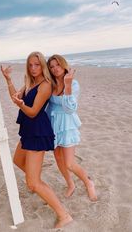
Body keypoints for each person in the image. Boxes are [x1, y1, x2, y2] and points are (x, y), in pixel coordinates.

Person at [1, 51, 73, 228]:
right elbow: (15, 98)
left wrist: (21, 104)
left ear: (42, 65)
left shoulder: (45, 85)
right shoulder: (30, 83)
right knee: (18, 160)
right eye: (31, 65)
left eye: (37, 64)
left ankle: (64, 215)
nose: (33, 68)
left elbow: (33, 112)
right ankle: (43, 188)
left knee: (32, 183)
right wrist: (8, 80)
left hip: (38, 131)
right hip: (28, 129)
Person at [46, 54, 97, 201]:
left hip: (67, 124)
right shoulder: (50, 83)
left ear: (64, 65)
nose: (55, 69)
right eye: (52, 67)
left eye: (58, 65)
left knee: (69, 163)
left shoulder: (73, 84)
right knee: (57, 157)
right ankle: (70, 184)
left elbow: (69, 109)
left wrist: (67, 85)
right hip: (53, 123)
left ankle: (89, 182)